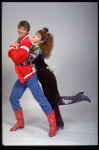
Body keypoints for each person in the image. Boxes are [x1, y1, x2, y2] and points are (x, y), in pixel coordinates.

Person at [20, 27, 91, 131]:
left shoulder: (36, 49)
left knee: (56, 100)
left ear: (41, 41)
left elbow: (25, 62)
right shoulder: (34, 47)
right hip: (44, 77)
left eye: (37, 36)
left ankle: (78, 97)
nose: (34, 36)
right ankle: (59, 123)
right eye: (35, 34)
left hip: (47, 77)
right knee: (51, 101)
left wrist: (18, 49)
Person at [8, 21, 57, 137]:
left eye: (24, 29)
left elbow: (22, 60)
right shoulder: (23, 41)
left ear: (27, 32)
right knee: (13, 98)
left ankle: (53, 126)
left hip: (30, 76)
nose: (21, 31)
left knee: (41, 99)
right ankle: (20, 122)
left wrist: (12, 49)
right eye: (20, 28)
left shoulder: (32, 46)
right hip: (22, 77)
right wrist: (17, 47)